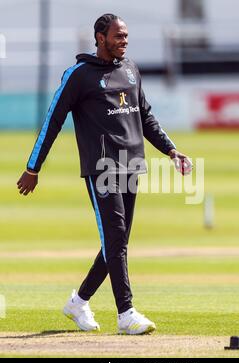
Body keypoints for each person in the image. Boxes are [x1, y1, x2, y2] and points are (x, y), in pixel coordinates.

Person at [17, 14, 192, 335]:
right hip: (101, 169)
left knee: (117, 243)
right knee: (115, 239)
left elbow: (146, 117)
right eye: (118, 36)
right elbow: (51, 121)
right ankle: (126, 313)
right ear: (100, 38)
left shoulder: (131, 70)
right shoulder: (78, 76)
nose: (124, 41)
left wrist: (171, 150)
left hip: (132, 165)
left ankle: (78, 302)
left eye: (126, 36)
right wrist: (33, 167)